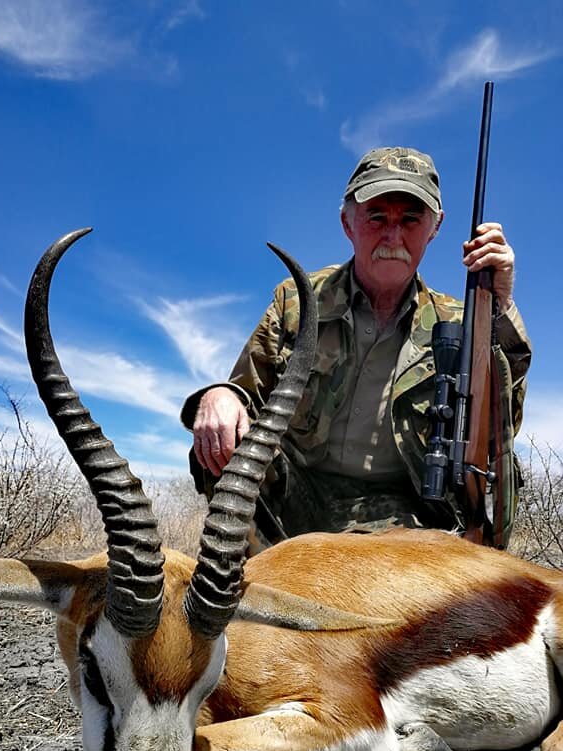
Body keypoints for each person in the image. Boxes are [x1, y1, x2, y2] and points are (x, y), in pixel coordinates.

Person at [180, 147, 531, 547]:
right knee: (224, 438)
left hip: (402, 515)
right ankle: (245, 578)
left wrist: (500, 306)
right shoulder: (296, 299)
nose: (393, 236)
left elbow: (501, 429)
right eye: (377, 217)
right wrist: (221, 395)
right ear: (348, 222)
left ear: (435, 227)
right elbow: (246, 391)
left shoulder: (461, 323)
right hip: (296, 495)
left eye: (411, 219)